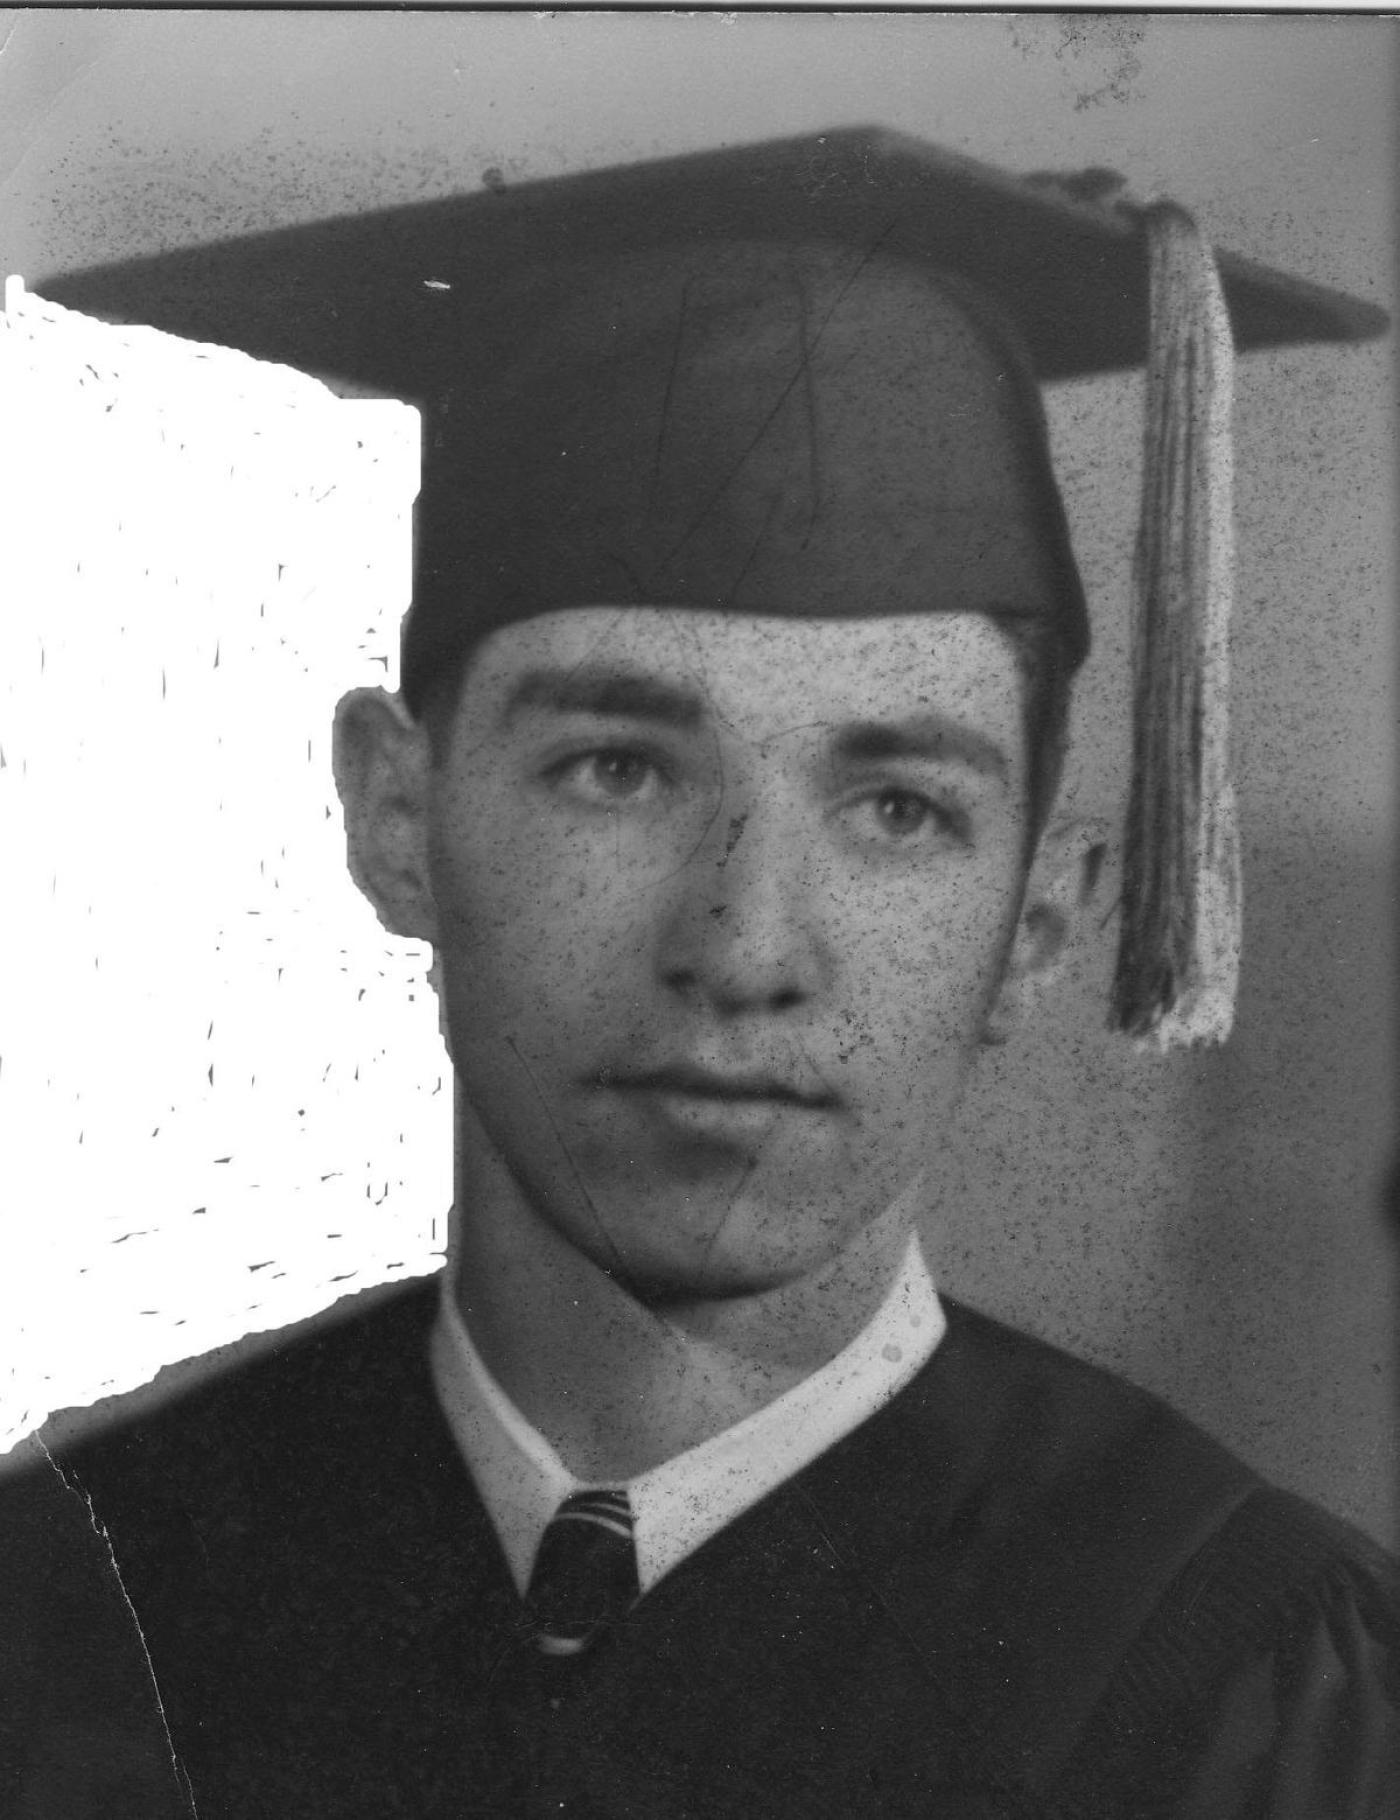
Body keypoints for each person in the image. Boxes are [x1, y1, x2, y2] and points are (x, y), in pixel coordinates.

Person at [2, 129, 1395, 1818]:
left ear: (1043, 915)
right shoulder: (78, 1591)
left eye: (898, 806)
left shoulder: (1246, 1680)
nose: (742, 948)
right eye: (617, 770)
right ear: (396, 819)